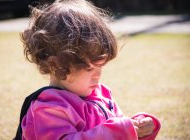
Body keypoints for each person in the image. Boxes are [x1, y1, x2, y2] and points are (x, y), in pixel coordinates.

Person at [15, 0, 161, 139]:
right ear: (56, 65)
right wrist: (116, 132)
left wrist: (136, 129)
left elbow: (117, 129)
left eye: (100, 66)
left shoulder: (101, 95)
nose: (97, 76)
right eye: (89, 68)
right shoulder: (49, 108)